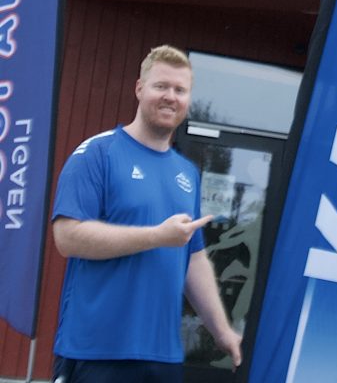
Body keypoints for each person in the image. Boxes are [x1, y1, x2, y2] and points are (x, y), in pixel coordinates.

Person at [51, 45, 242, 383]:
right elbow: (68, 237)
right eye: (161, 86)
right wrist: (156, 236)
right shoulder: (97, 153)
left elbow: (194, 258)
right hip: (97, 351)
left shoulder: (187, 173)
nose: (170, 97)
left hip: (162, 356)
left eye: (180, 90)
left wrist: (222, 331)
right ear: (139, 89)